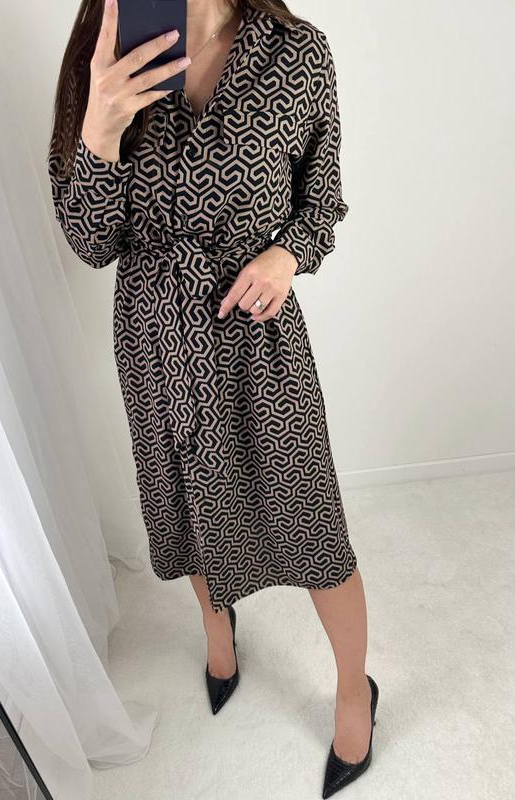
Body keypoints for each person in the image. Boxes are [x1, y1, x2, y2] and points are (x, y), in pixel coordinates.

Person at [47, 1, 379, 796]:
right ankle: (216, 626)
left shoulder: (296, 54)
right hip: (156, 341)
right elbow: (91, 242)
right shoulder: (106, 49)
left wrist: (285, 257)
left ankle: (352, 687)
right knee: (188, 509)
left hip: (257, 341)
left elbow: (321, 203)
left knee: (311, 527)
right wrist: (99, 130)